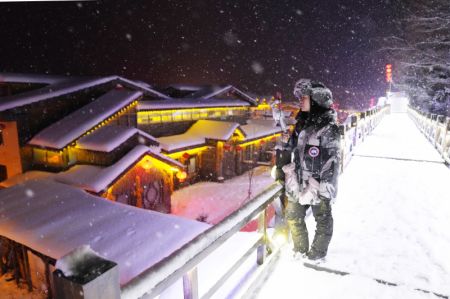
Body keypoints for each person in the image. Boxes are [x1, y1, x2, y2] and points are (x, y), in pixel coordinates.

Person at [279, 79, 341, 261]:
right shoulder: (302, 123)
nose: (300, 101)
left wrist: (326, 189)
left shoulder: (329, 128)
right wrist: (286, 142)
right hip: (298, 179)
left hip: (317, 182)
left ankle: (317, 254)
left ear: (316, 100)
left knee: (322, 219)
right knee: (292, 215)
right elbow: (294, 147)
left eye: (303, 98)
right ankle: (300, 250)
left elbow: (332, 161)